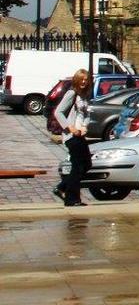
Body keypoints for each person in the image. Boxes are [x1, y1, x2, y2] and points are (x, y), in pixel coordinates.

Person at [51, 69, 92, 207]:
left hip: (81, 134)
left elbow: (86, 115)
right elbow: (58, 112)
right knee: (78, 166)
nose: (84, 82)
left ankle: (62, 187)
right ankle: (72, 199)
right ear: (76, 80)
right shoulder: (71, 93)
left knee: (86, 164)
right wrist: (70, 128)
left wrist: (85, 126)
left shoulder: (84, 95)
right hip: (71, 136)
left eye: (86, 80)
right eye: (81, 79)